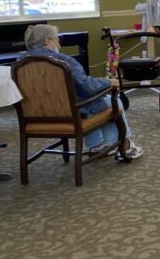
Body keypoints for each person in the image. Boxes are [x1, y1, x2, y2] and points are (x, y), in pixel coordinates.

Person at [21, 23, 143, 160]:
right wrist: (108, 82)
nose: (58, 41)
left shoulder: (20, 63)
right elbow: (87, 87)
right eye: (55, 38)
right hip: (68, 113)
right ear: (46, 41)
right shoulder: (63, 61)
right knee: (112, 101)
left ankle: (96, 145)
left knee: (86, 101)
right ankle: (124, 147)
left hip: (35, 116)